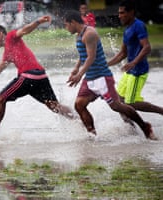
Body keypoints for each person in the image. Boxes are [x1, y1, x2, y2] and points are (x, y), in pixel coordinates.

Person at [0, 15, 74, 136]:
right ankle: (78, 119)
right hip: (41, 76)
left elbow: (25, 30)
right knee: (54, 106)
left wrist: (38, 21)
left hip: (28, 76)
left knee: (0, 99)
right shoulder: (7, 54)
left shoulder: (11, 36)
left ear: (1, 34)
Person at [63, 10, 157, 140]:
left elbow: (91, 57)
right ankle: (92, 135)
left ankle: (144, 126)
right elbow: (83, 54)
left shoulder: (90, 34)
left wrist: (79, 75)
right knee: (79, 105)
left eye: (66, 25)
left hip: (102, 77)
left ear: (73, 22)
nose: (66, 28)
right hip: (90, 77)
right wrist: (76, 68)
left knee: (116, 106)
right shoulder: (78, 35)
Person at [107, 0, 163, 116]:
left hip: (138, 71)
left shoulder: (139, 26)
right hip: (130, 71)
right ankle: (130, 128)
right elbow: (123, 54)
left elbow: (147, 47)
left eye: (122, 13)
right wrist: (105, 64)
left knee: (131, 102)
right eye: (119, 13)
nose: (120, 16)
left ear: (131, 12)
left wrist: (133, 63)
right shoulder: (127, 29)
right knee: (118, 100)